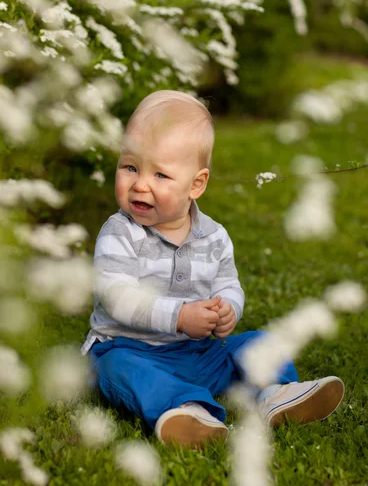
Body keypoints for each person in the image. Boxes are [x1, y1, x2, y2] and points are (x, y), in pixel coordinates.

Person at [82, 90, 344, 447]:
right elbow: (116, 297)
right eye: (130, 167)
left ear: (196, 184)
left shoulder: (214, 237)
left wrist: (227, 309)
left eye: (160, 174)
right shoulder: (119, 232)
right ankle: (185, 410)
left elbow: (229, 284)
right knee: (118, 371)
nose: (140, 183)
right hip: (132, 350)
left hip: (200, 354)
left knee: (257, 343)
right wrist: (179, 316)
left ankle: (276, 393)